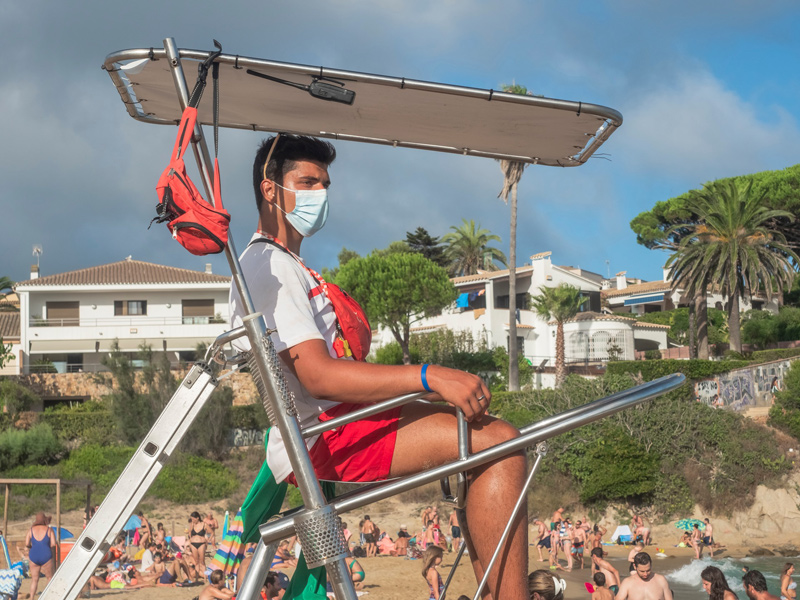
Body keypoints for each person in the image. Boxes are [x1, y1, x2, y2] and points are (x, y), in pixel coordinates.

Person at [230, 134, 528, 599]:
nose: (319, 194)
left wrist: (427, 388)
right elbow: (319, 377)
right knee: (499, 443)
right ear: (270, 190)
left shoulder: (285, 264)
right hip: (327, 434)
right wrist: (427, 376)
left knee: (488, 434)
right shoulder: (270, 266)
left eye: (324, 184)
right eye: (307, 182)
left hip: (336, 424)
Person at [24, 512, 56, 600]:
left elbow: (27, 544)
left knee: (34, 580)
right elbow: (53, 544)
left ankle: (31, 597)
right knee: (49, 578)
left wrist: (32, 547)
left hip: (33, 555)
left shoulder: (31, 530)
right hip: (46, 554)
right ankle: (47, 596)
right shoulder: (49, 530)